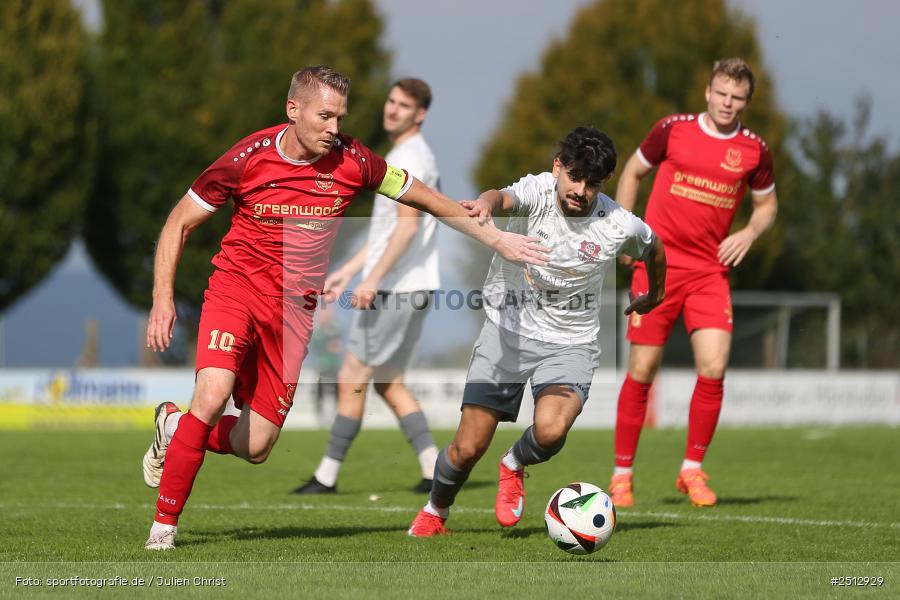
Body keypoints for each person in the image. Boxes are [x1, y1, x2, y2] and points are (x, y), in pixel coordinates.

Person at [140, 66, 548, 550]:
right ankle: (163, 531)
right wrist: (162, 299)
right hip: (237, 292)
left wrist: (498, 239)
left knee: (256, 446)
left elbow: (432, 203)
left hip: (293, 315)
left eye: (340, 118)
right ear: (293, 110)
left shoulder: (356, 160)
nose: (335, 129)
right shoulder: (247, 158)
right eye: (325, 116)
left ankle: (174, 424)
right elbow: (178, 224)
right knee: (211, 395)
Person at [406, 126, 666, 537]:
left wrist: (655, 293)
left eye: (592, 183)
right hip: (507, 329)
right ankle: (436, 510)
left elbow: (654, 247)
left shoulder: (619, 224)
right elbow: (502, 196)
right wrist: (484, 206)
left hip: (570, 343)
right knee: (468, 447)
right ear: (558, 167)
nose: (580, 190)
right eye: (574, 176)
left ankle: (514, 463)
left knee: (551, 429)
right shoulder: (540, 191)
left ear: (604, 183)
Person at [609, 58, 778, 508]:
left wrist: (749, 232)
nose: (727, 102)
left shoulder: (754, 150)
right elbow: (632, 171)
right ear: (708, 92)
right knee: (642, 370)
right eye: (721, 93)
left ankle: (692, 470)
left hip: (708, 272)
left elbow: (766, 206)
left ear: (746, 101)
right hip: (657, 264)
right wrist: (626, 231)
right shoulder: (672, 129)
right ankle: (621, 475)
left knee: (714, 366)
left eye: (737, 97)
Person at [293, 78, 442, 495]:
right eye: (391, 101)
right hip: (412, 284)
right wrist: (351, 270)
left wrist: (373, 280)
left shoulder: (410, 156)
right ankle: (435, 468)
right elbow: (383, 234)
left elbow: (407, 228)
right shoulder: (405, 153)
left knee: (352, 374)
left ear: (420, 114)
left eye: (404, 105)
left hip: (397, 288)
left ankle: (326, 476)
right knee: (387, 380)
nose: (392, 109)